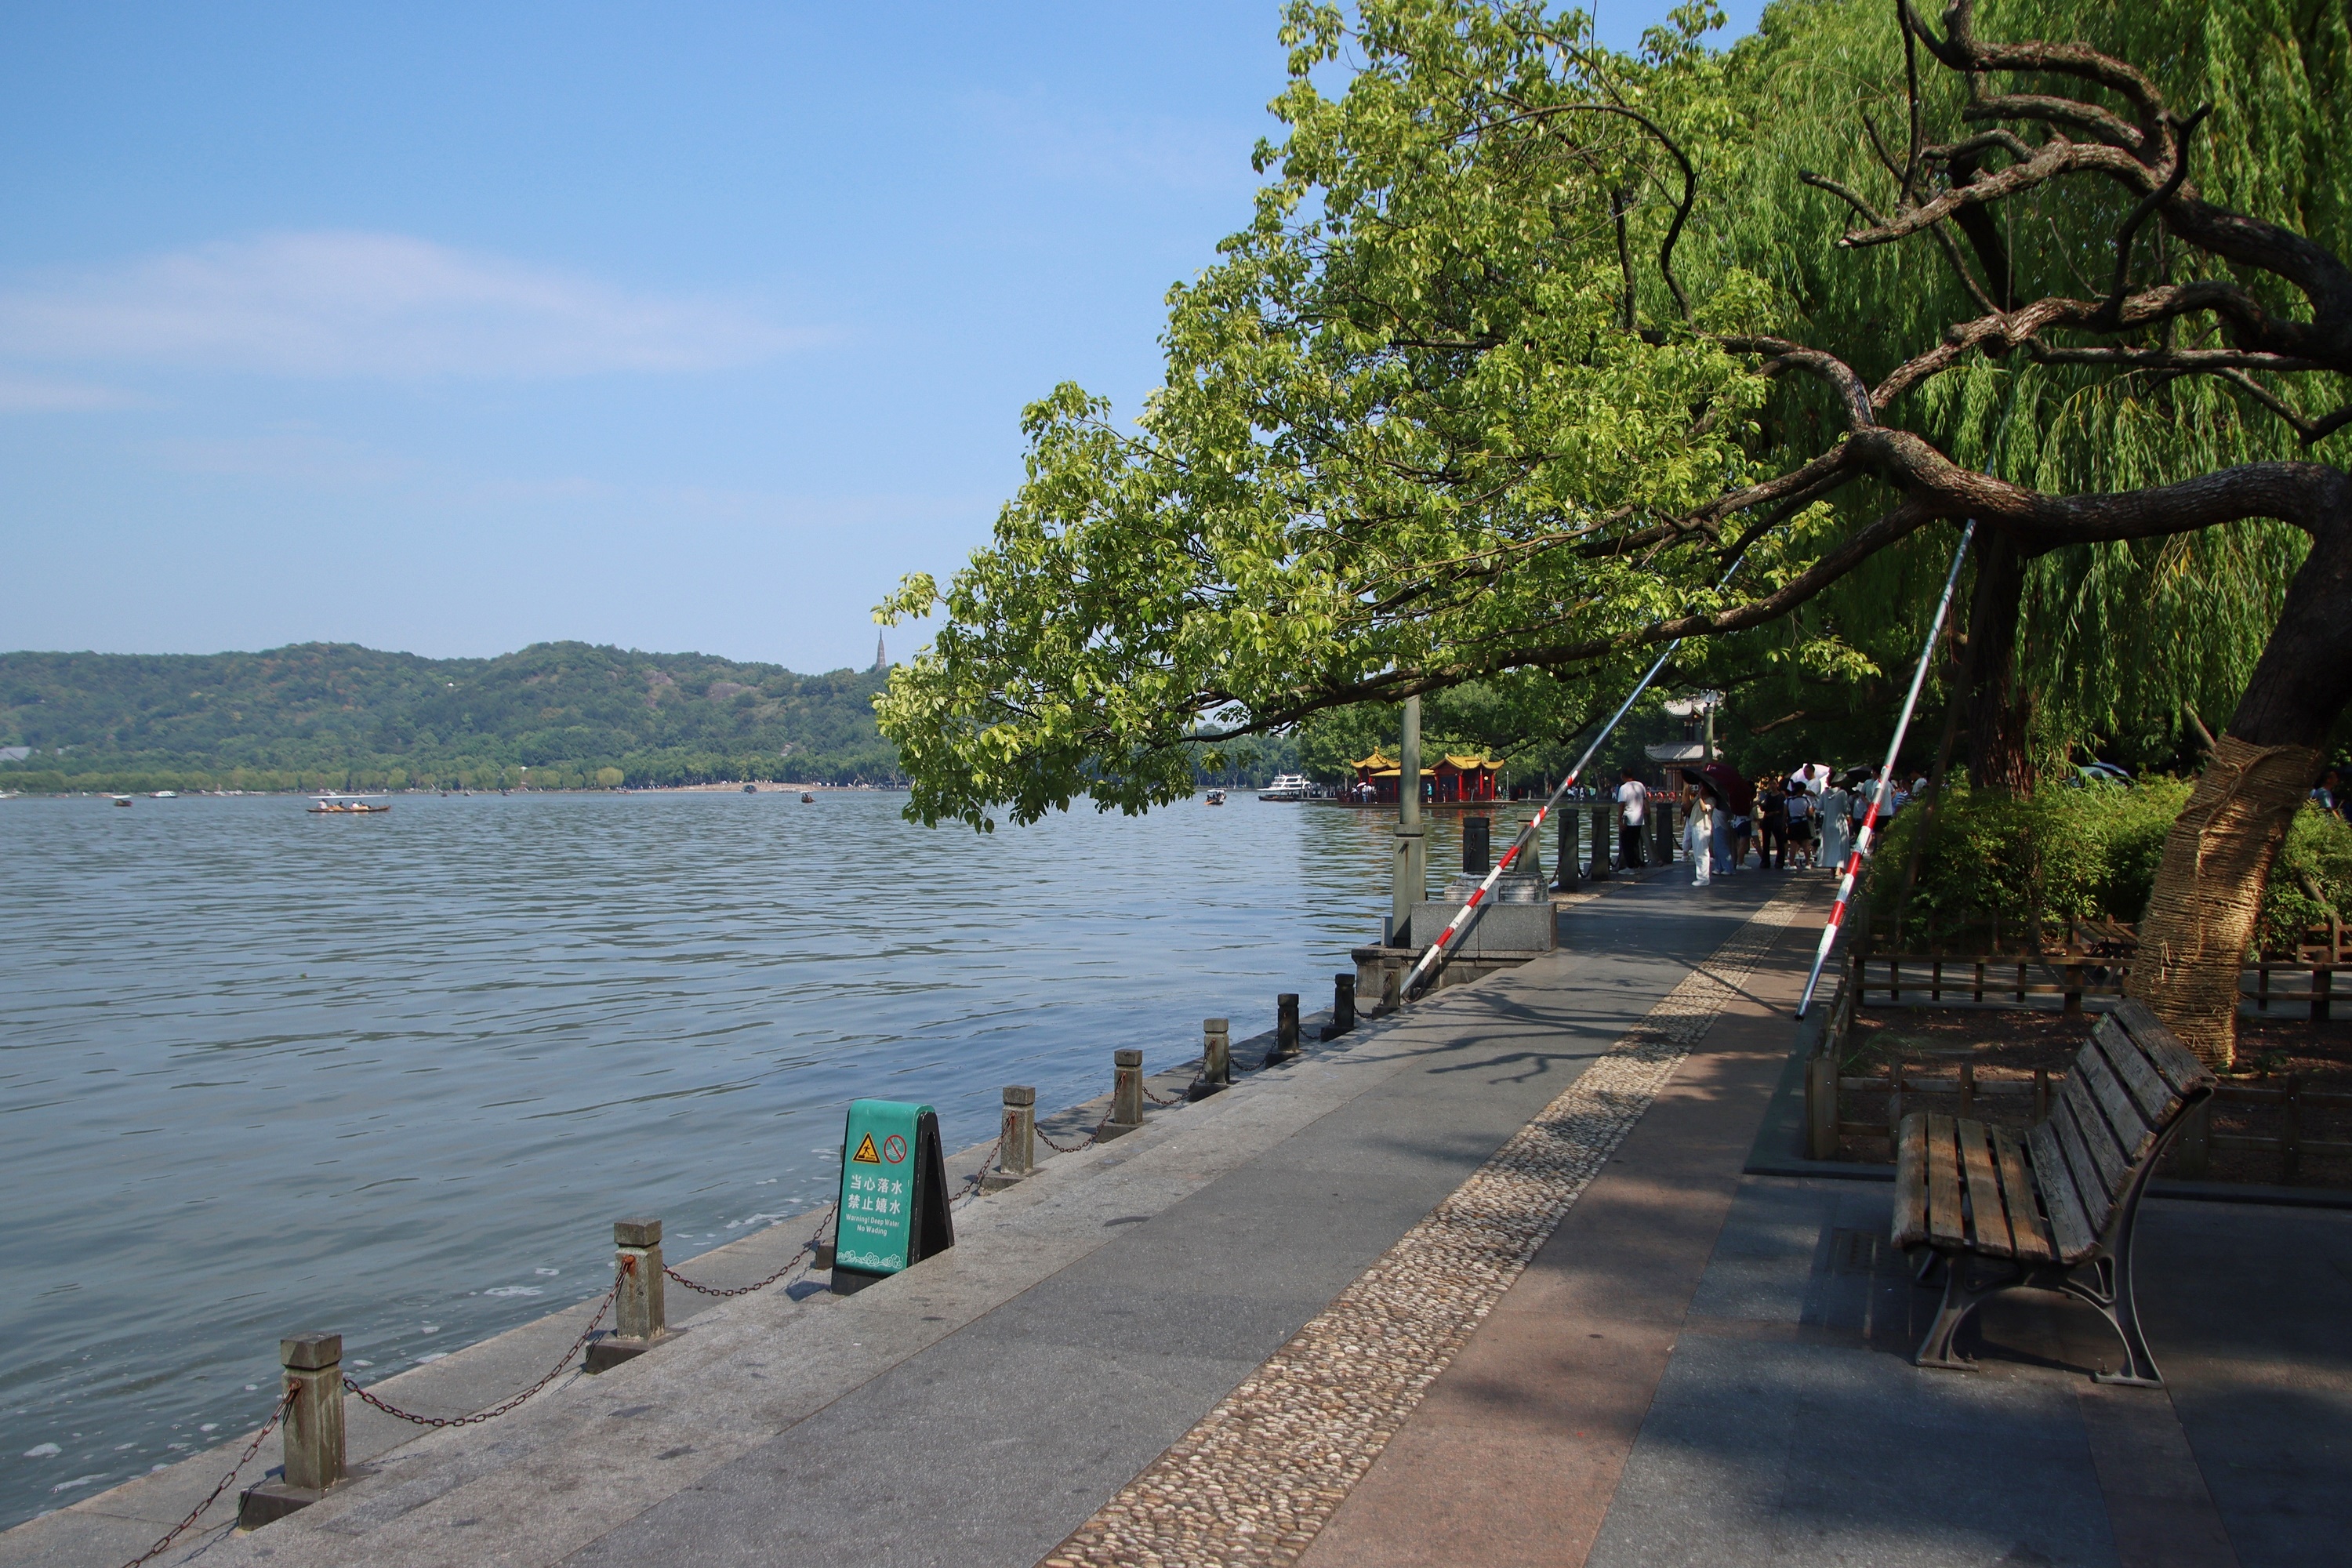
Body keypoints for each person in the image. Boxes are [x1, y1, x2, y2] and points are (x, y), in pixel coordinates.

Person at [1616, 766, 1649, 869]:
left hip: (1629, 819)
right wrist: (1647, 811)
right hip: (1639, 819)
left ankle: (1631, 866)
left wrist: (1619, 820)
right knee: (1635, 843)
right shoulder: (1640, 785)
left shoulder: (1624, 788)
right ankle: (1637, 864)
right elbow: (1645, 800)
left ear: (1622, 776)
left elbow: (1622, 805)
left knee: (1626, 844)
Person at [1784, 776, 1813, 869]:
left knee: (1793, 844)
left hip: (1793, 823)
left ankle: (1792, 864)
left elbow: (1785, 814)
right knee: (1806, 844)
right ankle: (1808, 863)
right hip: (1803, 823)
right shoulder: (1806, 800)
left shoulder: (1788, 800)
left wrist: (1785, 824)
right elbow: (1809, 813)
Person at [1759, 778, 1788, 870]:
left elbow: (1782, 809)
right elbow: (1765, 807)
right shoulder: (1768, 796)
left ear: (1777, 785)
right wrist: (1761, 805)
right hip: (1767, 819)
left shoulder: (1781, 796)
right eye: (1770, 784)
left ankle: (1780, 861)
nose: (1772, 786)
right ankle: (1765, 861)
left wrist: (1775, 813)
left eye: (1774, 784)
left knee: (1779, 842)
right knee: (1766, 841)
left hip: (1777, 820)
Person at [1687, 786, 1713, 885]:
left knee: (1703, 853)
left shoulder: (1711, 800)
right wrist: (1687, 793)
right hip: (1695, 825)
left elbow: (1704, 808)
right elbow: (1687, 806)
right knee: (1697, 853)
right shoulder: (1698, 799)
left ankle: (1704, 878)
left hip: (1703, 827)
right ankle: (1700, 876)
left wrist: (1701, 796)